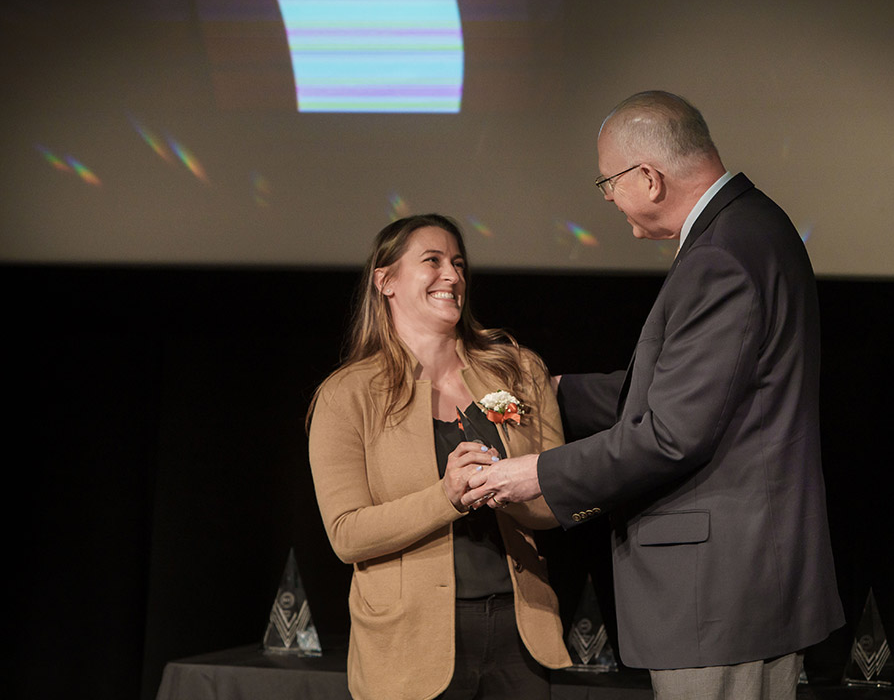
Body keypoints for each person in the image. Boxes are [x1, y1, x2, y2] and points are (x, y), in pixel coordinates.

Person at [463, 91, 845, 699]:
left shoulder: (721, 256)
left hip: (719, 590)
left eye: (607, 181)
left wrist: (537, 473)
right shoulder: (753, 226)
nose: (608, 197)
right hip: (748, 577)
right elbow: (693, 391)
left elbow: (672, 433)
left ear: (649, 177)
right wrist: (553, 393)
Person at [307, 214, 571, 700]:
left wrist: (506, 489)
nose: (452, 276)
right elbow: (346, 534)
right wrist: (446, 497)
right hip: (409, 644)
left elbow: (559, 497)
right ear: (385, 281)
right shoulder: (347, 395)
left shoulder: (518, 370)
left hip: (520, 631)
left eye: (458, 264)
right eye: (432, 261)